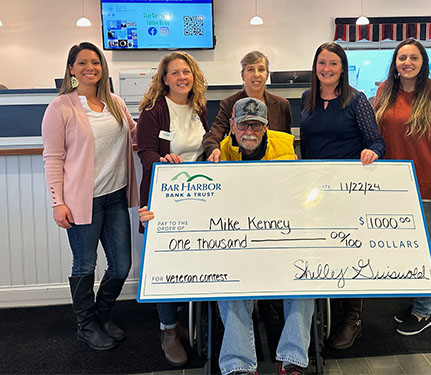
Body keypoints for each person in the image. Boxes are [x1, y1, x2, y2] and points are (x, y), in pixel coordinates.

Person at [139, 98, 313, 375]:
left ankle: (293, 360)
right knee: (229, 283)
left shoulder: (285, 149)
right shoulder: (216, 156)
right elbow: (192, 202)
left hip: (278, 243)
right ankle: (238, 364)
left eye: (257, 125)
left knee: (306, 281)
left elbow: (302, 198)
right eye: (244, 124)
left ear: (266, 127)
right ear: (232, 126)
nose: (250, 131)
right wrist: (159, 213)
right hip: (234, 248)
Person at [41, 42, 138, 351]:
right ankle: (86, 325)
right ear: (71, 69)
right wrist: (58, 202)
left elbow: (136, 135)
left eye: (95, 62)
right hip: (83, 200)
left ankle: (101, 315)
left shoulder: (116, 102)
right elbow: (52, 157)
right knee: (85, 264)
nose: (89, 68)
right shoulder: (60, 107)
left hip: (115, 196)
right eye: (82, 63)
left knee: (121, 265)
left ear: (102, 67)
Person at [373, 38, 431, 336]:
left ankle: (424, 312)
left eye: (413, 58)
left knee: (430, 248)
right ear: (395, 63)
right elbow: (374, 135)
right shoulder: (385, 92)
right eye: (402, 58)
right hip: (397, 189)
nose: (407, 63)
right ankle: (417, 301)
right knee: (411, 249)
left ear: (423, 62)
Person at [299, 42, 385, 350]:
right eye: (322, 63)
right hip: (314, 192)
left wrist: (371, 153)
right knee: (322, 250)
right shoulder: (307, 98)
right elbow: (306, 144)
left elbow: (377, 142)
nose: (326, 69)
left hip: (347, 190)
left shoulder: (356, 100)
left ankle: (352, 318)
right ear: (315, 65)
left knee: (349, 251)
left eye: (333, 64)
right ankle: (327, 311)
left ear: (342, 68)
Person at [136, 51, 208, 366]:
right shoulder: (153, 111)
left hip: (199, 197)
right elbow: (146, 152)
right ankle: (168, 330)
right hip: (164, 196)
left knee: (194, 258)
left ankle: (190, 318)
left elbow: (206, 145)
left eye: (187, 72)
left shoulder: (199, 109)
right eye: (175, 72)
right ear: (164, 79)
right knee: (165, 264)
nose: (182, 77)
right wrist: (162, 161)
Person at [202, 50, 292, 163]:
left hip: (273, 165)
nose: (256, 74)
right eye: (250, 69)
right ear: (243, 75)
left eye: (261, 69)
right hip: (240, 164)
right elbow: (214, 134)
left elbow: (286, 138)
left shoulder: (282, 105)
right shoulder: (229, 103)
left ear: (267, 75)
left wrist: (290, 155)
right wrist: (213, 149)